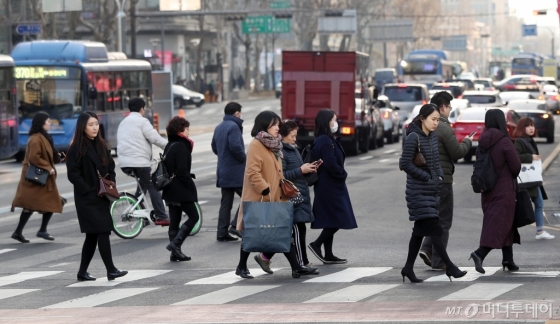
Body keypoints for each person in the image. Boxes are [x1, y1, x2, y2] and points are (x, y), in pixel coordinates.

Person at [235, 111, 318, 279]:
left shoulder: (275, 145)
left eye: (278, 125)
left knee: (283, 231)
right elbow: (252, 172)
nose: (277, 128)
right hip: (261, 197)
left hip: (277, 196)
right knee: (253, 231)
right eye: (274, 125)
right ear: (264, 125)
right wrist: (265, 189)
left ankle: (296, 267)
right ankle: (241, 266)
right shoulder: (256, 144)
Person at [399, 104, 467, 283]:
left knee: (419, 232)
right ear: (422, 119)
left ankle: (407, 268)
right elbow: (405, 164)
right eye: (433, 119)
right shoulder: (414, 137)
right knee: (436, 229)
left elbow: (436, 162)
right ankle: (450, 267)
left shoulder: (432, 137)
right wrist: (427, 177)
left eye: (438, 119)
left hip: (431, 190)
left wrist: (438, 177)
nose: (436, 123)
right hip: (417, 192)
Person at [66, 112, 127, 281]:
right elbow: (73, 174)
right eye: (90, 125)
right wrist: (88, 189)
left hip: (103, 195)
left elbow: (111, 167)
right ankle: (111, 269)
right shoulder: (76, 147)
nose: (94, 128)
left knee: (92, 236)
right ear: (82, 127)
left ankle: (82, 272)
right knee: (102, 231)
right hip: (87, 199)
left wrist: (111, 183)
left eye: (96, 124)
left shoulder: (101, 144)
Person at [419, 92, 473, 271]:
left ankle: (427, 249)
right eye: (449, 107)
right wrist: (467, 142)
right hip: (442, 180)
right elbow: (457, 152)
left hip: (425, 179)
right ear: (443, 107)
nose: (449, 110)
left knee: (433, 218)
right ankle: (438, 260)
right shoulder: (443, 127)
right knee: (443, 221)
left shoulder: (422, 125)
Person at [469, 109, 521, 274]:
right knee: (498, 224)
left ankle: (508, 259)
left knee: (505, 221)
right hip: (504, 189)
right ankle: (479, 253)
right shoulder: (504, 141)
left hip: (487, 189)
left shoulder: (482, 140)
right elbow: (516, 166)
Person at [307, 109, 357, 265]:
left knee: (331, 218)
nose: (336, 123)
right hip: (330, 185)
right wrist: (342, 174)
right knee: (339, 217)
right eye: (334, 120)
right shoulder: (324, 141)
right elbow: (330, 163)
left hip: (330, 184)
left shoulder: (326, 139)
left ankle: (328, 253)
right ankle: (317, 244)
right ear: (327, 122)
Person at [11, 112, 64, 243]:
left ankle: (21, 232)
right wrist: (49, 167)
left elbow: (46, 155)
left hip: (40, 178)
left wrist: (58, 158)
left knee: (36, 204)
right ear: (41, 123)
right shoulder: (36, 138)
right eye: (48, 121)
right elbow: (34, 158)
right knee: (51, 201)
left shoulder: (44, 137)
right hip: (35, 178)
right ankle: (40, 230)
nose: (50, 123)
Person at [117, 98, 169, 225]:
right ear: (142, 109)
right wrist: (170, 147)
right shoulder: (142, 121)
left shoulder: (123, 122)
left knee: (143, 184)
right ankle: (162, 216)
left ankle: (142, 216)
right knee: (152, 186)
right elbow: (155, 138)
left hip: (124, 163)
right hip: (139, 162)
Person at [278, 120, 316, 267]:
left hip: (299, 195)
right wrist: (301, 170)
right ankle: (302, 263)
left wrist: (307, 168)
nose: (295, 139)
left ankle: (264, 257)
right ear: (283, 135)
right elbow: (283, 175)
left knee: (298, 230)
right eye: (292, 136)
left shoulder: (293, 149)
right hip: (291, 197)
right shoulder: (283, 152)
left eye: (296, 136)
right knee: (298, 230)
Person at [162, 117, 200, 262]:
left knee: (175, 219)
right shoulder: (181, 146)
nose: (188, 132)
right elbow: (183, 170)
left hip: (169, 188)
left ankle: (175, 253)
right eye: (187, 129)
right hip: (181, 188)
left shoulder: (170, 145)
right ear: (181, 130)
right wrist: (189, 185)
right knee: (194, 216)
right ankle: (176, 244)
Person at [513, 117, 554, 240]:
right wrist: (531, 157)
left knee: (538, 203)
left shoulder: (530, 140)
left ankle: (540, 231)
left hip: (532, 179)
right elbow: (515, 156)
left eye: (533, 126)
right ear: (522, 128)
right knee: (526, 205)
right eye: (528, 126)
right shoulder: (520, 141)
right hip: (528, 179)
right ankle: (539, 232)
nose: (531, 128)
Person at [211, 102, 246, 242]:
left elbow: (214, 147)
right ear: (237, 113)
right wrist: (244, 159)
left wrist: (223, 156)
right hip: (235, 171)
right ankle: (234, 226)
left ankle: (222, 232)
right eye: (240, 113)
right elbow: (236, 147)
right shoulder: (234, 127)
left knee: (226, 203)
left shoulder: (219, 127)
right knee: (248, 198)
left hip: (223, 170)